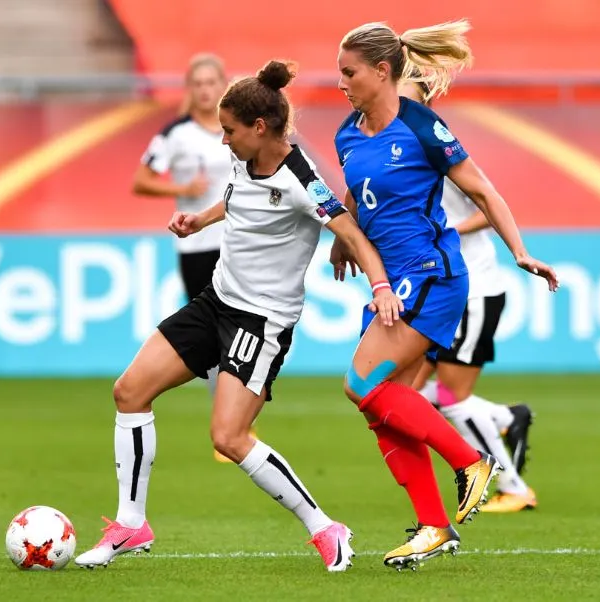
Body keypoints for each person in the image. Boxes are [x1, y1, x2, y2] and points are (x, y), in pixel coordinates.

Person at [75, 60, 404, 573]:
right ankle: (131, 523)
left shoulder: (302, 180)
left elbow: (352, 233)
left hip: (261, 321)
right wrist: (199, 219)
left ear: (259, 128)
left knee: (228, 438)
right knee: (129, 391)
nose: (223, 140)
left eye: (229, 131)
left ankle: (324, 526)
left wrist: (380, 286)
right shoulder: (243, 160)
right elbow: (237, 198)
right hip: (216, 301)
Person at [331, 20, 558, 570]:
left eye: (349, 72)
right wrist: (346, 240)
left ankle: (472, 462)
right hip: (392, 278)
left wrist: (520, 251)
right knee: (383, 411)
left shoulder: (421, 126)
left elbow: (483, 188)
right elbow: (358, 190)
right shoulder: (347, 133)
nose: (341, 83)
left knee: (361, 381)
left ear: (382, 71)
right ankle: (434, 526)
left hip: (432, 274)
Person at [398, 76, 537, 513]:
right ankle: (504, 418)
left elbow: (487, 205)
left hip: (473, 290)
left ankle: (512, 486)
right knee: (410, 397)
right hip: (436, 292)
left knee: (451, 398)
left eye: (404, 94)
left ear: (423, 101)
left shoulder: (437, 144)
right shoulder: (393, 149)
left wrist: (444, 232)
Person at [132, 54, 246, 463]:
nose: (204, 89)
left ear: (223, 85)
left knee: (241, 329)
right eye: (197, 82)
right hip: (197, 246)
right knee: (216, 333)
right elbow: (141, 180)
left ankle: (235, 418)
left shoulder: (239, 130)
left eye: (211, 81)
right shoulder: (176, 135)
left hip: (238, 242)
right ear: (189, 89)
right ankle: (226, 418)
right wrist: (179, 187)